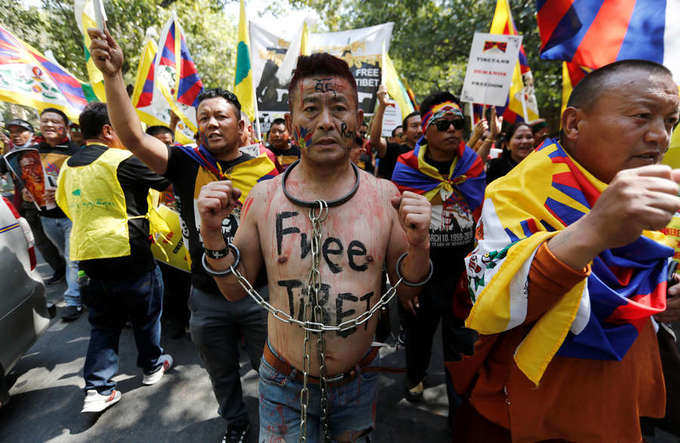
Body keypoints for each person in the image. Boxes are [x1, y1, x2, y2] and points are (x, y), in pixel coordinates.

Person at [196, 53, 432, 442]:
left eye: (339, 108)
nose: (325, 121)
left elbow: (408, 290)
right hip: (283, 384)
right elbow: (234, 288)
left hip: (357, 383)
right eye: (310, 109)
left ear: (357, 119)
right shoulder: (264, 198)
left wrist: (420, 244)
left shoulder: (384, 197)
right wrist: (211, 235)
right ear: (291, 124)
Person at [452, 60, 680, 442]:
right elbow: (492, 303)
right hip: (530, 408)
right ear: (574, 124)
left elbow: (663, 268)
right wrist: (594, 230)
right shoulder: (517, 191)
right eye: (642, 116)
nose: (660, 136)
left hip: (626, 399)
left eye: (671, 121)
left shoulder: (659, 192)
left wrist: (669, 295)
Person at [88, 27, 278, 443]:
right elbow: (134, 137)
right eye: (203, 117)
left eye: (221, 116)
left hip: (261, 295)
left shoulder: (268, 170)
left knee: (274, 370)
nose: (211, 123)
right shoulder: (185, 163)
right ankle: (236, 424)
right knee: (221, 371)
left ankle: (277, 426)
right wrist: (114, 76)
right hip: (206, 297)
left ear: (241, 125)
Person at [56, 102, 173, 413]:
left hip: (86, 255)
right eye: (125, 128)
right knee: (147, 315)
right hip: (129, 252)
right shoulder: (122, 159)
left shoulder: (67, 166)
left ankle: (98, 389)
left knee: (103, 323)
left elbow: (65, 204)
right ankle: (151, 366)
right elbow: (166, 178)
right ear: (109, 131)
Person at [391, 92, 484, 417]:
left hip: (463, 272)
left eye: (458, 124)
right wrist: (404, 281)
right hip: (423, 271)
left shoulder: (473, 164)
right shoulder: (406, 169)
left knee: (460, 340)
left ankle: (460, 402)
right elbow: (395, 227)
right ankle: (415, 377)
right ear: (426, 130)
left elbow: (485, 214)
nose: (452, 130)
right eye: (443, 124)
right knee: (419, 333)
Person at [30, 108, 82, 320]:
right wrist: (28, 190)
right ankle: (82, 281)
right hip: (46, 217)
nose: (49, 125)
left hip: (72, 215)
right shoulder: (32, 153)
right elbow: (26, 179)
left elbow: (85, 185)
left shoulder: (77, 152)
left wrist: (65, 191)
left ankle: (73, 301)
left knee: (72, 259)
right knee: (66, 256)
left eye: (54, 121)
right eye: (45, 121)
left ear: (66, 128)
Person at [0, 118, 66, 284]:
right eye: (12, 132)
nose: (15, 135)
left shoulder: (43, 151)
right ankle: (60, 271)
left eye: (20, 131)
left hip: (53, 205)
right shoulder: (10, 156)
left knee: (63, 242)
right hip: (28, 208)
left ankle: (75, 273)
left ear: (30, 133)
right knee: (42, 243)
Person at [146, 124, 192, 339]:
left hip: (185, 233)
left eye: (168, 143)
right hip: (156, 238)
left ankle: (189, 318)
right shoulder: (136, 167)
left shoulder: (186, 164)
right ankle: (175, 321)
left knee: (187, 280)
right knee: (167, 283)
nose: (164, 148)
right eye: (158, 143)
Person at [371, 84, 423, 179]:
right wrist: (382, 106)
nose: (420, 130)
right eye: (414, 126)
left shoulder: (435, 151)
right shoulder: (395, 150)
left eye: (423, 125)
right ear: (405, 132)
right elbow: (375, 141)